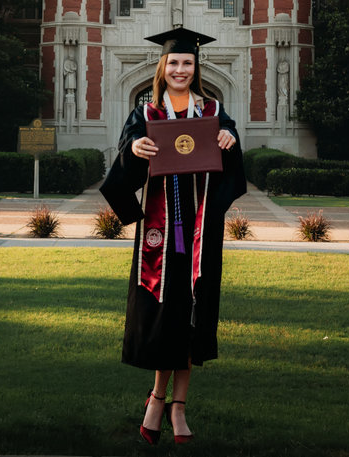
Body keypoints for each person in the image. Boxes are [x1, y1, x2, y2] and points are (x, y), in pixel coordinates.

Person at [99, 26, 246, 445]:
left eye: (187, 63)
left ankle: (171, 406)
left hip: (199, 233)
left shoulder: (213, 111)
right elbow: (121, 173)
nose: (180, 69)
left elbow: (233, 166)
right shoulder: (146, 116)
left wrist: (229, 140)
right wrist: (134, 153)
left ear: (196, 68)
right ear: (162, 67)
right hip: (160, 234)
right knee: (166, 317)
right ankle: (160, 400)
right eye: (174, 62)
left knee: (191, 316)